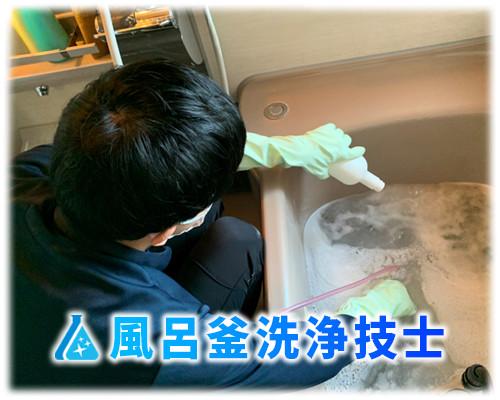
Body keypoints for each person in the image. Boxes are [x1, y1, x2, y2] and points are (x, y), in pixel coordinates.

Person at [12, 60, 413, 388]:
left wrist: (283, 149)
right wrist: (368, 316)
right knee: (239, 243)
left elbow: (140, 153)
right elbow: (294, 358)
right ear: (163, 232)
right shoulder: (146, 335)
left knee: (234, 239)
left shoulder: (26, 175)